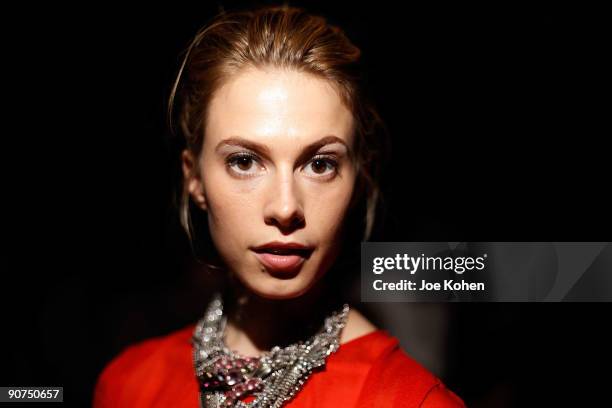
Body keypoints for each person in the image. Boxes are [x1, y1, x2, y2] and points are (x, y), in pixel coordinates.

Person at [93, 5, 465, 407]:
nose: (286, 207)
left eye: (320, 165)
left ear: (359, 180)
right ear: (194, 178)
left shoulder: (410, 401)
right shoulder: (128, 385)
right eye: (244, 162)